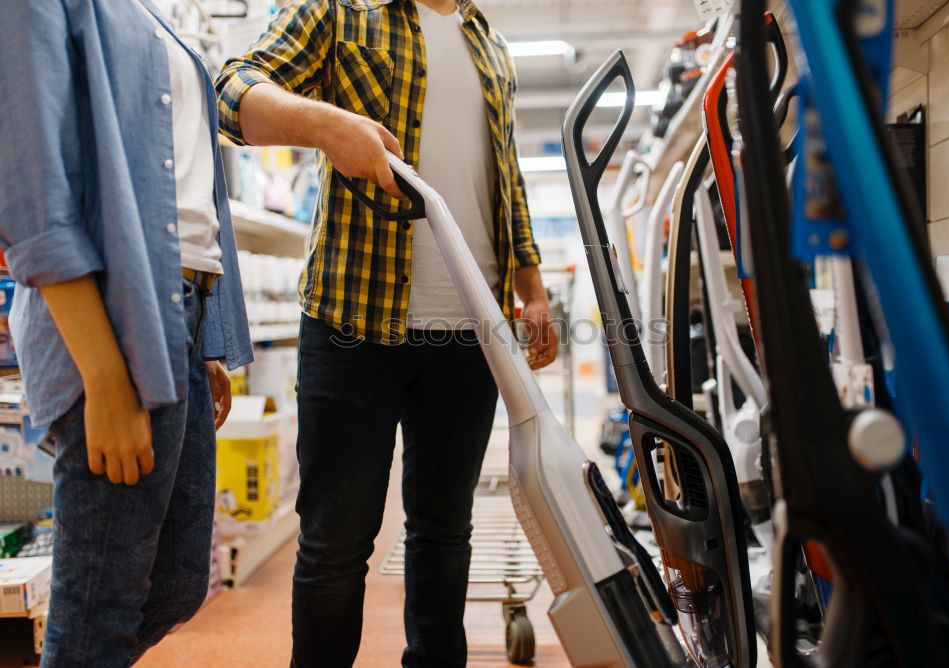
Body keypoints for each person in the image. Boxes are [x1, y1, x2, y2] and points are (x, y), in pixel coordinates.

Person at [215, 0, 557, 664]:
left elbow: (506, 175)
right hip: (353, 323)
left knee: (442, 533)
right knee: (334, 541)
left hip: (469, 332)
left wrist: (532, 289)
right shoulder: (341, 10)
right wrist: (325, 123)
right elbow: (230, 92)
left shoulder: (488, 42)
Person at [0, 2, 253, 665]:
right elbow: (31, 189)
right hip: (115, 319)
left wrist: (201, 335)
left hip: (179, 319)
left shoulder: (147, 9)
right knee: (98, 610)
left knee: (173, 587)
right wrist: (105, 376)